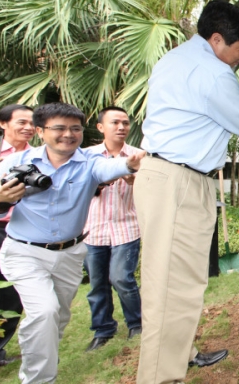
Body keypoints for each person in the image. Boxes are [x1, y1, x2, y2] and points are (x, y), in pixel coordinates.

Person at [134, 0, 239, 384]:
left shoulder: (174, 59)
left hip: (168, 178)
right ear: (215, 39)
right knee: (170, 287)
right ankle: (161, 377)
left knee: (179, 281)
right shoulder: (212, 73)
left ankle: (181, 354)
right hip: (177, 183)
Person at [0, 102, 145, 384]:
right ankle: (39, 379)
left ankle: (40, 365)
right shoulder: (15, 163)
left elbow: (113, 166)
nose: (69, 134)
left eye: (75, 128)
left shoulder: (90, 163)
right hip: (24, 252)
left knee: (57, 319)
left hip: (70, 255)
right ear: (41, 131)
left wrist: (131, 162)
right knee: (45, 312)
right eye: (60, 128)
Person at [83, 106, 143, 351]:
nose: (121, 127)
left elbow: (151, 192)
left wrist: (136, 181)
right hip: (93, 229)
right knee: (97, 283)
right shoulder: (87, 155)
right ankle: (103, 329)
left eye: (125, 123)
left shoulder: (140, 156)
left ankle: (137, 325)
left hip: (126, 227)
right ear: (100, 127)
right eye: (115, 122)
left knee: (121, 278)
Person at [0, 104, 33, 366]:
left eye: (32, 123)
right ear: (3, 124)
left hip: (23, 230)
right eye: (21, 122)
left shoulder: (40, 155)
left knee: (11, 294)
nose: (28, 128)